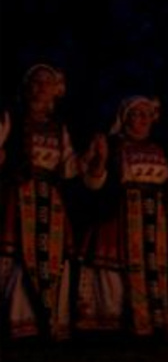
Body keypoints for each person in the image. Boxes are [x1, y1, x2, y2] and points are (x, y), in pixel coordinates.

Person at [74, 96, 168, 336]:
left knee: (156, 266)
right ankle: (118, 322)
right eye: (134, 114)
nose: (140, 119)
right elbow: (93, 182)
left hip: (157, 218)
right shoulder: (111, 144)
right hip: (120, 217)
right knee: (119, 267)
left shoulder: (163, 147)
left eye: (145, 114)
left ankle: (157, 320)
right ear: (124, 117)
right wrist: (99, 160)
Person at [0, 64, 101, 339]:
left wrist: (89, 158)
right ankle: (17, 323)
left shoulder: (59, 128)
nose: (41, 87)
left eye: (47, 82)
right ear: (27, 87)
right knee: (18, 256)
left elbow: (67, 168)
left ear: (55, 91)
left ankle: (47, 322)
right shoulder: (12, 118)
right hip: (19, 196)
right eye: (36, 82)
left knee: (52, 258)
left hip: (50, 199)